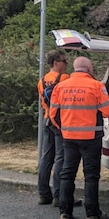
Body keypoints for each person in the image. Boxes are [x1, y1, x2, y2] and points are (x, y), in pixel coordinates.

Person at [49, 56, 109, 219]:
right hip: (91, 137)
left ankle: (65, 212)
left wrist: (64, 130)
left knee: (67, 174)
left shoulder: (61, 87)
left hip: (69, 137)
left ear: (74, 68)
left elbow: (53, 114)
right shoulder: (97, 86)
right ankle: (92, 213)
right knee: (91, 175)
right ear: (89, 68)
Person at [36, 50, 69, 206]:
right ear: (56, 62)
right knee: (61, 157)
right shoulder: (64, 78)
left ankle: (43, 194)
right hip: (60, 121)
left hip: (47, 120)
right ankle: (58, 195)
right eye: (64, 61)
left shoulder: (41, 81)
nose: (66, 64)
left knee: (46, 158)